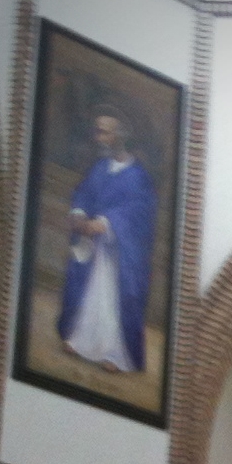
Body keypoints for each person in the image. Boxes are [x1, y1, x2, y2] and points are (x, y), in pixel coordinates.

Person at [58, 108, 157, 374]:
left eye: (104, 132)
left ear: (119, 136)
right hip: (94, 247)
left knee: (112, 298)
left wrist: (106, 223)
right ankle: (81, 341)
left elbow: (138, 212)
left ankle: (116, 354)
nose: (97, 137)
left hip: (119, 252)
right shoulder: (100, 168)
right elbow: (84, 193)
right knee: (90, 295)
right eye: (97, 131)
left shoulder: (137, 176)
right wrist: (79, 214)